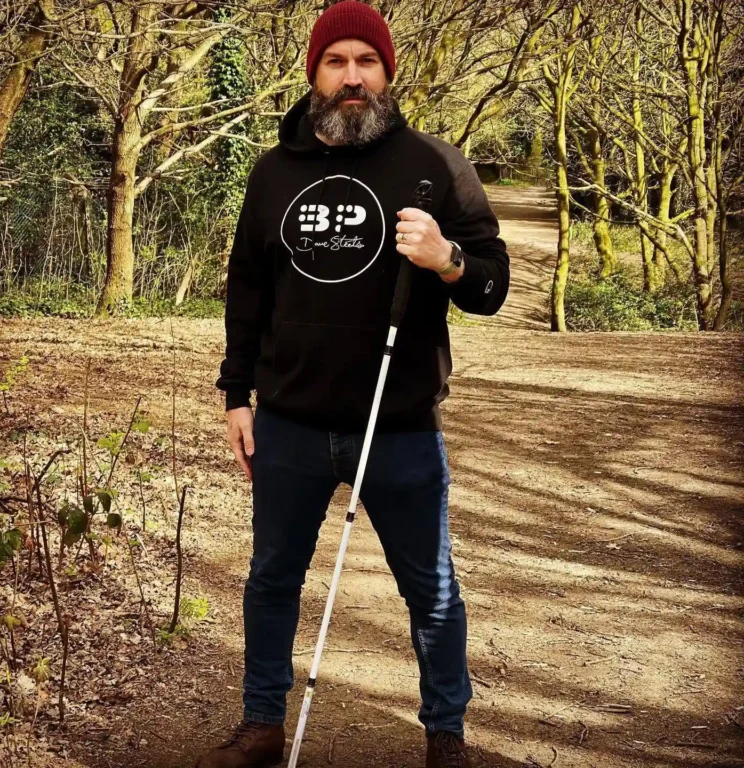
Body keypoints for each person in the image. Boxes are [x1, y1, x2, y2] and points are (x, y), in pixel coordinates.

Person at [196, 2, 510, 766]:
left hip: (397, 426)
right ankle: (262, 723)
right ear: (314, 75)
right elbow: (248, 290)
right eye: (336, 62)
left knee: (432, 592)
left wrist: (446, 259)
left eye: (365, 62)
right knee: (271, 579)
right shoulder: (273, 172)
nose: (351, 78)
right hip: (291, 423)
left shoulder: (435, 167)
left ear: (388, 72)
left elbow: (492, 284)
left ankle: (446, 735)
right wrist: (238, 397)